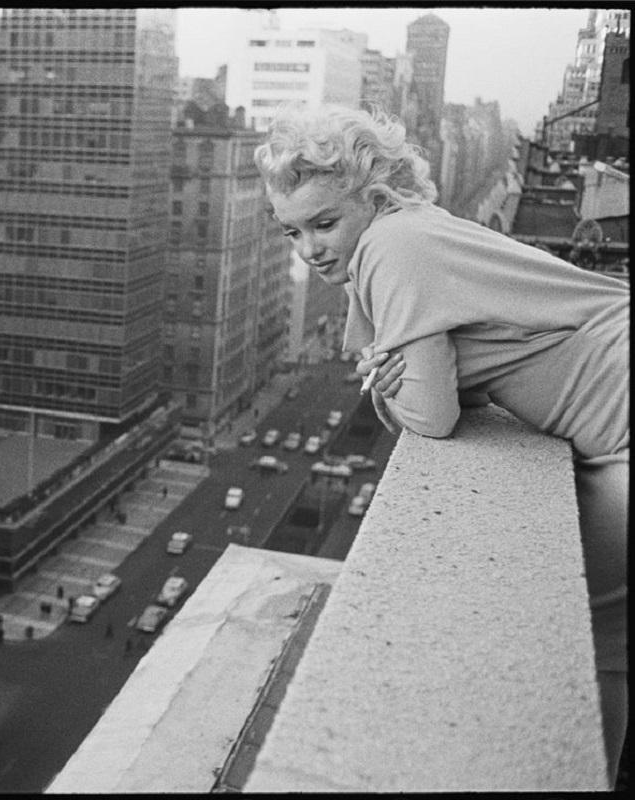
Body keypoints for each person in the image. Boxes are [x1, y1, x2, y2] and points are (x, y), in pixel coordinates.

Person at [255, 104, 629, 786]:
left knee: (599, 651)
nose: (307, 248)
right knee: (606, 651)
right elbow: (460, 386)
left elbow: (429, 415)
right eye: (291, 231)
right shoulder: (407, 236)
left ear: (372, 199)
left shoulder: (394, 249)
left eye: (323, 222)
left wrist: (385, 384)